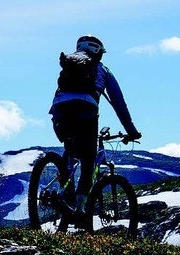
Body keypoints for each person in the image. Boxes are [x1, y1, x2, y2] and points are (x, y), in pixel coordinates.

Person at [50, 35, 141, 216]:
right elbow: (119, 103)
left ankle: (62, 197)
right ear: (98, 51)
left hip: (59, 110)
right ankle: (80, 208)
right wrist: (131, 131)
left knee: (70, 149)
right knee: (89, 159)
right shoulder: (102, 70)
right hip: (85, 112)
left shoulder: (70, 65)